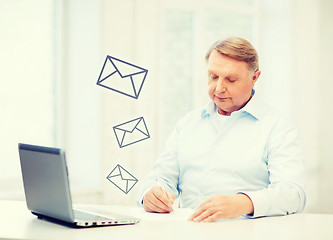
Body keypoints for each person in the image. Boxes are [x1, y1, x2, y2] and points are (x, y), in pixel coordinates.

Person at [137, 37, 306, 222]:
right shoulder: (187, 124)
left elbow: (293, 194)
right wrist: (150, 195)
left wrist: (243, 203)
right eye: (213, 77)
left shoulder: (277, 128)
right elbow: (160, 178)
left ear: (255, 78)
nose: (218, 88)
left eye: (231, 79)